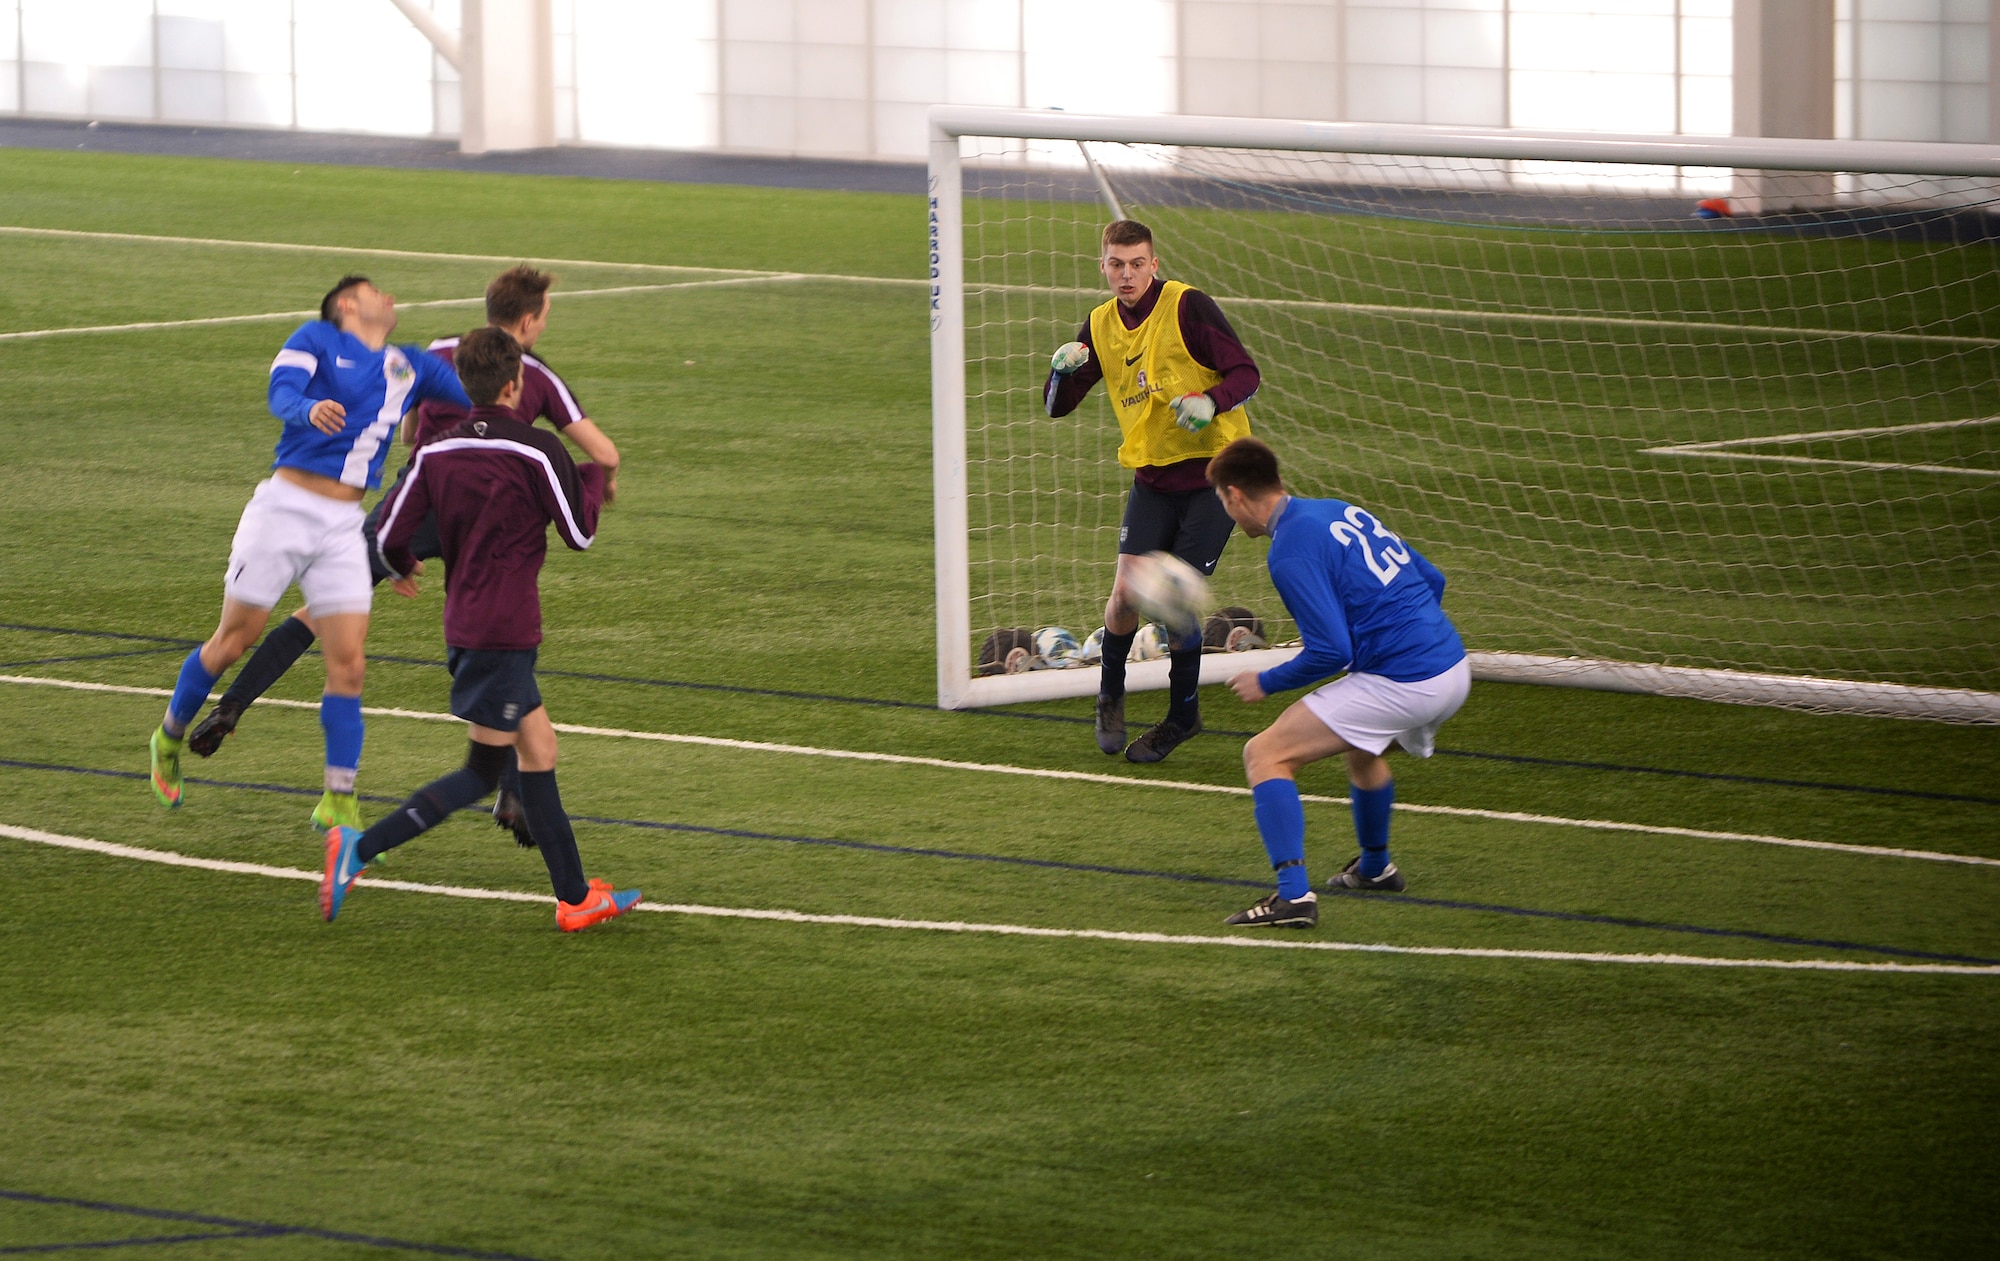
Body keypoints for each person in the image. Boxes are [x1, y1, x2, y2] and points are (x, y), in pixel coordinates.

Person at [187, 265, 619, 842]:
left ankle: (234, 703)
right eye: (543, 318)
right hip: (487, 518)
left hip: (418, 498)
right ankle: (513, 793)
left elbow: (412, 429)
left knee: (320, 612)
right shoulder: (530, 373)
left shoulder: (442, 352)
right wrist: (600, 478)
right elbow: (602, 450)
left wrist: (403, 540)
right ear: (527, 321)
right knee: (507, 634)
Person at [320, 326, 637, 932]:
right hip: (506, 631)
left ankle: (575, 897)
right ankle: (356, 850)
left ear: (463, 385)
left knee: (540, 749)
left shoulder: (437, 452)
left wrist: (404, 565)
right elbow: (581, 533)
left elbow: (387, 537)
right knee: (480, 773)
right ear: (517, 384)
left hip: (467, 624)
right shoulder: (538, 450)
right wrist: (593, 478)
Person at [147, 276, 470, 828]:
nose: (390, 298)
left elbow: (480, 392)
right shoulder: (316, 338)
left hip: (345, 525)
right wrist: (308, 409)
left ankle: (339, 799)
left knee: (349, 662)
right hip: (284, 510)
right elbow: (280, 393)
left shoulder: (409, 364)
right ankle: (168, 738)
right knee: (234, 640)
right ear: (347, 305)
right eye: (376, 291)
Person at [1205, 438, 1470, 929]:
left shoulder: (1289, 552)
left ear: (1236, 495)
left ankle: (1293, 898)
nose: (1227, 512)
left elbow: (1331, 651)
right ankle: (1374, 869)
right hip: (1453, 666)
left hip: (1406, 680)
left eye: (1223, 501)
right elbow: (1432, 579)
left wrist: (1266, 681)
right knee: (1362, 750)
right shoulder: (1337, 509)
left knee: (1265, 754)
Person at [1044, 219, 1260, 764]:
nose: (1127, 274)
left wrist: (1213, 401)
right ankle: (1110, 695)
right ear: (1103, 266)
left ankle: (1182, 717)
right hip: (1154, 479)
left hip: (1214, 476)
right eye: (1116, 264)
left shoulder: (1188, 306)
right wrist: (1058, 374)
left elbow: (1246, 371)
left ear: (1154, 264)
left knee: (1174, 604)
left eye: (1137, 263)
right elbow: (1057, 407)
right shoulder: (1097, 325)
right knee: (1122, 597)